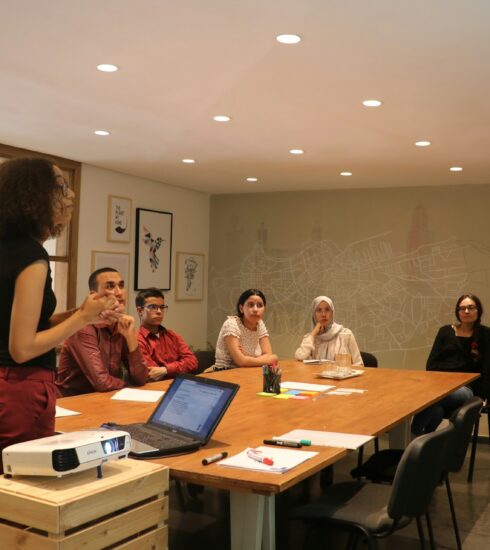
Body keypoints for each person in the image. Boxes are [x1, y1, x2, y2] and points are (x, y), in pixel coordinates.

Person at [0, 158, 118, 472]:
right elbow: (22, 348)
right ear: (36, 196)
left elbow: (26, 323)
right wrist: (81, 320)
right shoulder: (31, 256)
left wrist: (82, 312)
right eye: (61, 186)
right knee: (24, 487)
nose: (71, 195)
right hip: (18, 391)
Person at [56, 267, 148, 396]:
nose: (119, 293)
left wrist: (132, 339)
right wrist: (128, 386)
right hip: (72, 403)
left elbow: (141, 378)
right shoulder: (83, 327)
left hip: (107, 400)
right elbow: (102, 382)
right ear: (94, 295)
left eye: (121, 286)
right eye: (110, 287)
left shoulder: (121, 324)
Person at [411, 293, 489, 436]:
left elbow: (487, 369)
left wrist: (480, 398)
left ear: (478, 311)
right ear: (457, 312)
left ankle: (412, 437)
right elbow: (431, 364)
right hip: (440, 385)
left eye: (471, 308)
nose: (466, 312)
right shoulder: (445, 331)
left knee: (431, 396)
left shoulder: (485, 334)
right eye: (462, 308)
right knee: (436, 408)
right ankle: (425, 443)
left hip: (466, 388)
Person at [136, 287, 198, 380]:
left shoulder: (172, 336)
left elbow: (193, 362)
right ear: (140, 311)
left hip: (178, 385)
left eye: (162, 307)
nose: (159, 312)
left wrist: (165, 370)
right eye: (153, 307)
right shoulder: (137, 339)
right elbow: (152, 374)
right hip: (155, 389)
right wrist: (178, 367)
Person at [212, 289, 277, 370]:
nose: (256, 309)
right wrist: (267, 360)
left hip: (249, 370)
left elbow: (268, 354)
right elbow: (241, 361)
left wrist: (248, 360)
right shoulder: (231, 324)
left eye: (260, 305)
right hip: (225, 372)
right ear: (241, 308)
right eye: (251, 305)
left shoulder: (260, 323)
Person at [294, 295, 363, 365]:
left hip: (343, 375)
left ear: (332, 313)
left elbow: (359, 364)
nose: (323, 314)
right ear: (314, 315)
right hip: (316, 375)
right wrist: (313, 333)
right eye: (319, 310)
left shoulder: (345, 334)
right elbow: (300, 357)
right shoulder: (310, 338)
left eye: (327, 310)